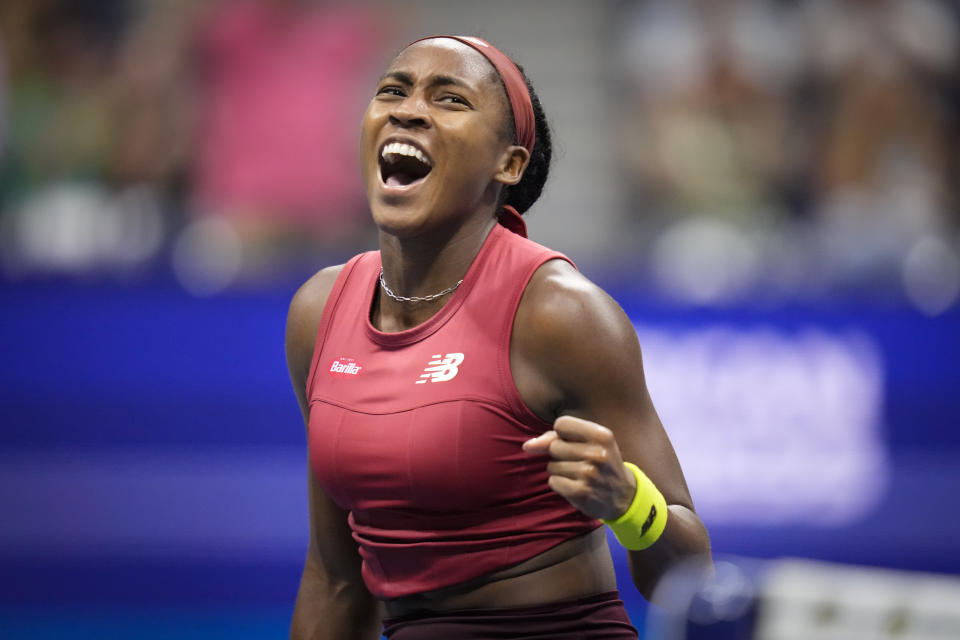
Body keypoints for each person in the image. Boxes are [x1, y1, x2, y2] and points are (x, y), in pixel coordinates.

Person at [285, 35, 711, 640]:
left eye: (450, 99)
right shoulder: (318, 312)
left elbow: (692, 573)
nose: (407, 110)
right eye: (393, 91)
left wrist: (628, 501)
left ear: (507, 164)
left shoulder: (561, 315)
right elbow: (334, 577)